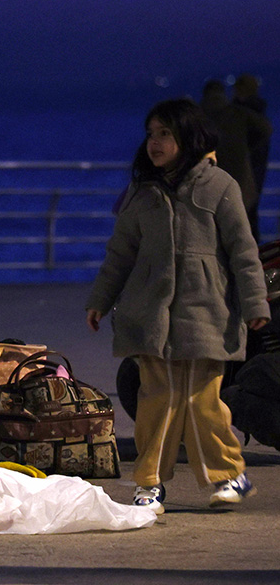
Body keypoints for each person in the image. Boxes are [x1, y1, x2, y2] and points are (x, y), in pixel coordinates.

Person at [85, 98, 270, 514]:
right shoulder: (141, 190)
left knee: (203, 400)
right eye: (151, 134)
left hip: (207, 313)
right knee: (157, 399)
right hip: (148, 315)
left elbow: (243, 251)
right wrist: (100, 300)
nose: (155, 142)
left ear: (188, 136)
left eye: (165, 133)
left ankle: (229, 475)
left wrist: (255, 302)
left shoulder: (221, 185)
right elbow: (121, 253)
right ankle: (149, 484)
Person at [200, 79, 272, 241]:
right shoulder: (237, 112)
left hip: (207, 179)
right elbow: (266, 129)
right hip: (240, 178)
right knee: (243, 231)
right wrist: (248, 148)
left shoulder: (197, 116)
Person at [233, 74, 273, 239]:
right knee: (249, 211)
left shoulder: (242, 112)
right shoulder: (258, 111)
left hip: (246, 165)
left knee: (242, 212)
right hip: (256, 164)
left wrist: (244, 150)